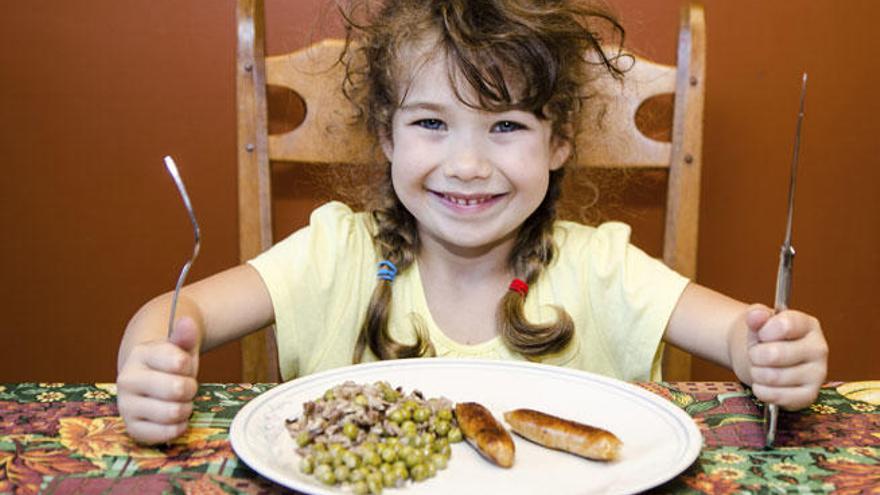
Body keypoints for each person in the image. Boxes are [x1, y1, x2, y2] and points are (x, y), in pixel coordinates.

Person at [116, 0, 828, 445]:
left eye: (506, 126)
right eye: (432, 122)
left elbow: (740, 331)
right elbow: (170, 315)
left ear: (558, 144)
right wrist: (148, 362)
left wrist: (771, 351)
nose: (466, 163)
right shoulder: (337, 253)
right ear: (386, 136)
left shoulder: (603, 266)